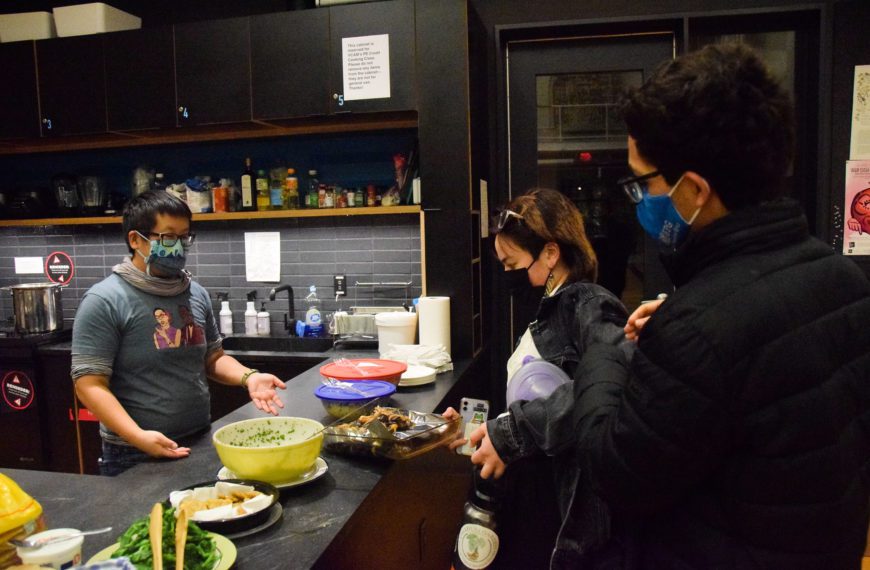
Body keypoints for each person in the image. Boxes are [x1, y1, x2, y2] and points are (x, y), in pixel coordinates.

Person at [565, 43, 870, 568]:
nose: (639, 199)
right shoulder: (843, 280)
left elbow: (614, 472)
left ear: (695, 190)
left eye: (644, 182)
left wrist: (604, 347)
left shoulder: (701, 330)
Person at [446, 188, 634, 567]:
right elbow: (539, 404)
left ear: (550, 252)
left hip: (559, 512)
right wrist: (479, 434)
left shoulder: (587, 303)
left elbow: (613, 384)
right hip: (531, 501)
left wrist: (510, 435)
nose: (507, 277)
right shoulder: (544, 317)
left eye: (512, 265)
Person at [72, 191, 287, 476]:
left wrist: (249, 377)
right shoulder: (104, 300)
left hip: (199, 439)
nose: (179, 247)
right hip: (133, 453)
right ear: (135, 240)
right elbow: (89, 385)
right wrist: (138, 437)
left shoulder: (194, 293)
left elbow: (212, 358)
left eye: (185, 237)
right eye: (168, 237)